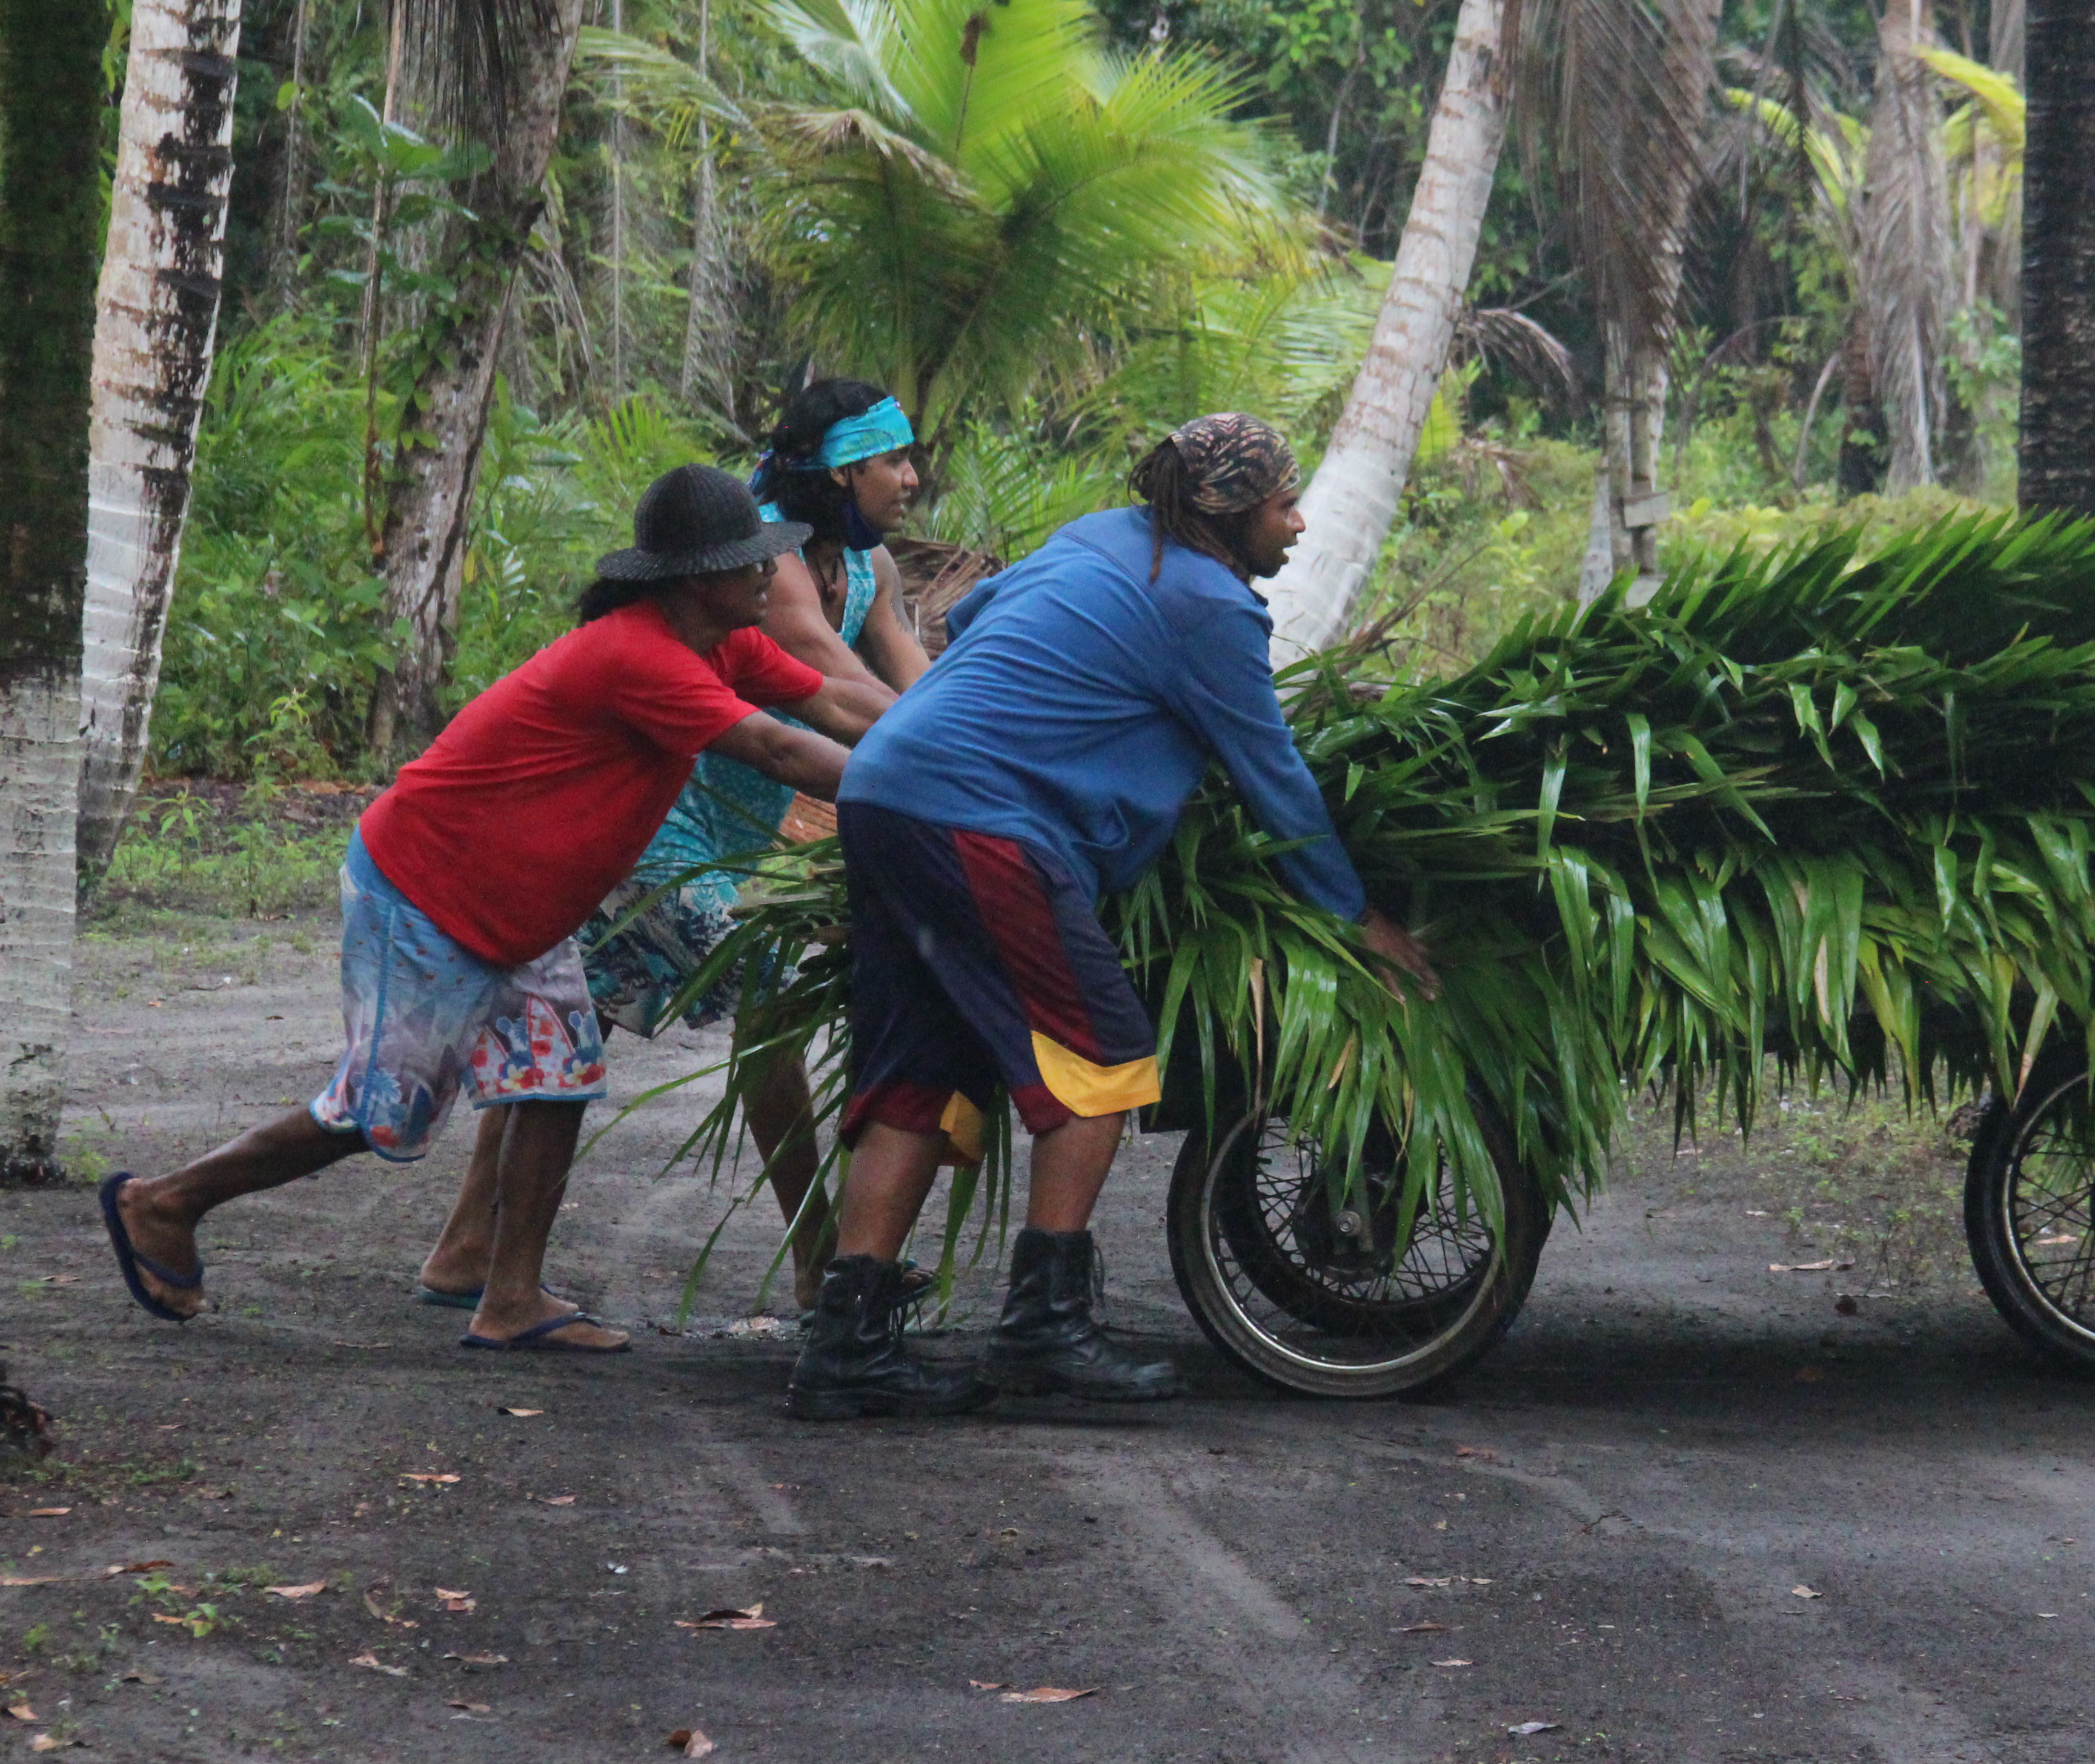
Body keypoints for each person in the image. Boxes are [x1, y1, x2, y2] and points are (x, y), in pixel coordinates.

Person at [100, 466, 891, 1354]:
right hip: (427, 888)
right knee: (376, 1110)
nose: (766, 576)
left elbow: (826, 699)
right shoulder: (637, 655)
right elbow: (774, 746)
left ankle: (508, 1294)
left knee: (556, 1080)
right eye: (748, 562)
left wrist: (942, 736)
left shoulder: (722, 642)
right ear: (693, 579)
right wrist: (927, 788)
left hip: (519, 907)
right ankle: (162, 1202)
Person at [789, 412, 1439, 1421]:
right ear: (1227, 515)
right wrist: (1360, 920)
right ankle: (1045, 1333)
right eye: (1283, 505)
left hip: (886, 791)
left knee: (921, 1069)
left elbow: (973, 621)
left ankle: (845, 1349)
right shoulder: (1212, 607)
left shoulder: (1102, 535)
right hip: (980, 817)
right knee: (1099, 1059)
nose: (1301, 525)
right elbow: (1276, 779)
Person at [413, 382, 929, 1318]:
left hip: (741, 830)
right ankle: (824, 1265)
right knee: (762, 1001)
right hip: (664, 824)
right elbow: (838, 696)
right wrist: (956, 771)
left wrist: (968, 740)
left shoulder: (872, 567)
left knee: (579, 1021)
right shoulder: (757, 561)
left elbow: (902, 691)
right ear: (846, 468)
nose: (911, 477)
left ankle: (469, 1246)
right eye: (894, 460)